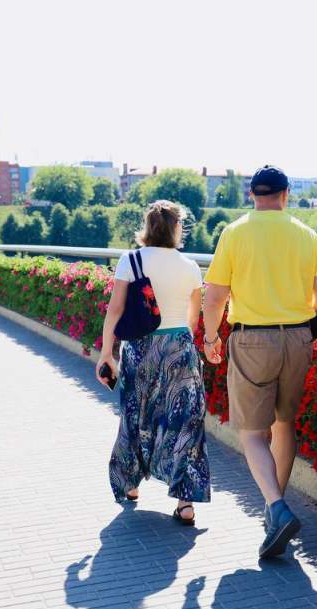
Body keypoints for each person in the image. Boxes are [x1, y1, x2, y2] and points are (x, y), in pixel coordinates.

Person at [202, 165, 317, 558]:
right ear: (285, 194)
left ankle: (276, 508)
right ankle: (275, 507)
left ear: (252, 195)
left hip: (252, 339)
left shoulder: (235, 233)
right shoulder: (306, 234)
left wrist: (211, 337)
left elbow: (214, 297)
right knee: (284, 423)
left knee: (252, 433)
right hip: (297, 337)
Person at [97, 200, 211, 525]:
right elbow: (193, 319)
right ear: (177, 228)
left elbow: (115, 310)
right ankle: (186, 503)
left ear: (147, 228)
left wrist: (106, 354)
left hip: (139, 348)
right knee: (185, 421)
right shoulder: (190, 266)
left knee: (136, 414)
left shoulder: (130, 260)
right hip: (180, 348)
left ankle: (130, 484)